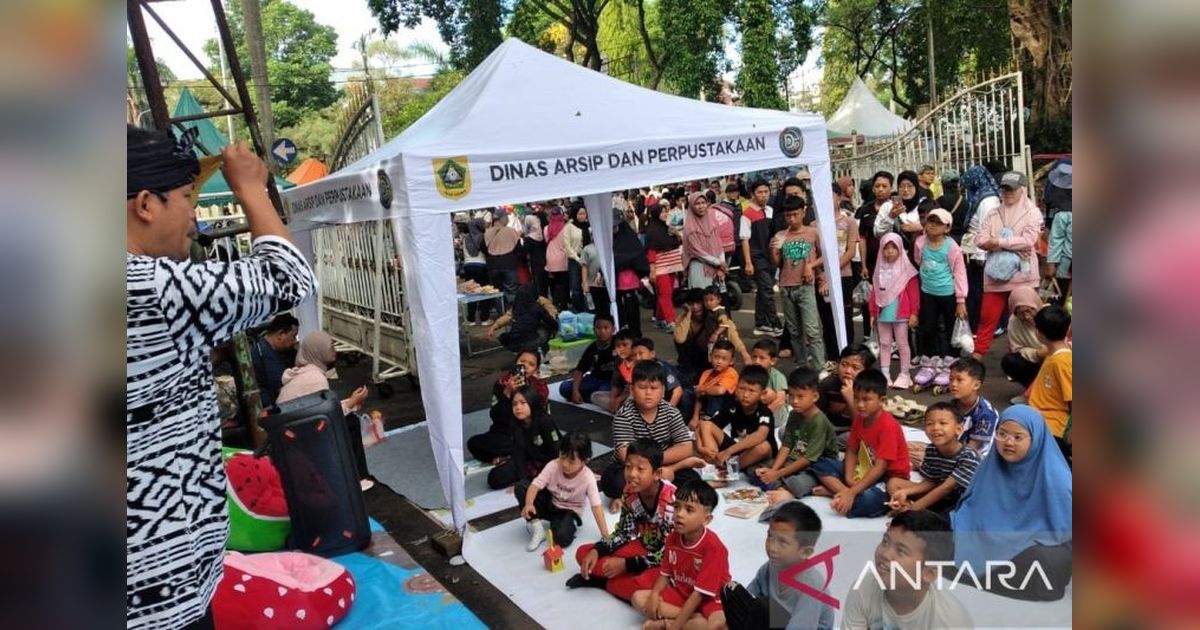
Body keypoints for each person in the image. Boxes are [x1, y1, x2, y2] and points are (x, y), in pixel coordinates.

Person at [127, 128, 316, 629]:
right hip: (157, 591)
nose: (193, 215)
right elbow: (290, 277)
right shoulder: (149, 290)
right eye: (187, 197)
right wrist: (250, 188)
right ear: (146, 203)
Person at [951, 405, 1073, 601]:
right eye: (1002, 434)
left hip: (1033, 541)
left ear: (1035, 440)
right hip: (989, 532)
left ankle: (977, 571)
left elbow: (1067, 530)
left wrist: (1023, 537)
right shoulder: (991, 466)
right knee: (937, 531)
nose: (1008, 442)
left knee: (1045, 561)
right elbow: (972, 508)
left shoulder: (1056, 477)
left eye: (1018, 437)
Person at [570, 439, 677, 600]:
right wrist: (598, 549)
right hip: (642, 547)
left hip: (665, 561)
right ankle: (622, 582)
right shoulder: (629, 492)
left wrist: (627, 565)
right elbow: (623, 533)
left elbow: (669, 553)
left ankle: (603, 583)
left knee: (648, 584)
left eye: (640, 469)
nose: (632, 474)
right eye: (628, 467)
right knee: (584, 553)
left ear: (657, 474)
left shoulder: (670, 503)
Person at [843, 511, 973, 628]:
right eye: (885, 541)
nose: (885, 554)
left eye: (901, 551)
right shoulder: (864, 587)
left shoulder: (951, 622)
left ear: (929, 573)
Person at [808, 369, 910, 518]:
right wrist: (850, 481)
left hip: (887, 477)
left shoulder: (888, 426)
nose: (860, 405)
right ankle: (843, 493)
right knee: (819, 462)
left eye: (866, 399)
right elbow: (851, 450)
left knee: (868, 501)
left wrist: (853, 490)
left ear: (882, 401)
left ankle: (839, 493)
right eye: (856, 399)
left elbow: (881, 468)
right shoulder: (860, 419)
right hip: (863, 469)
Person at [632, 480, 730, 630]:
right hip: (683, 594)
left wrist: (675, 627)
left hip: (711, 600)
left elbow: (700, 594)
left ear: (706, 519)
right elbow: (665, 573)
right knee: (638, 598)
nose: (679, 514)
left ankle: (668, 623)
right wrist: (655, 595)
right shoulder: (672, 537)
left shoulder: (714, 548)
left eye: (689, 510)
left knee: (713, 626)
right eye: (677, 507)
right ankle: (691, 618)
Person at [721, 501, 834, 630]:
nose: (772, 547)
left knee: (764, 606)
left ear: (805, 552)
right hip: (774, 621)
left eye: (782, 542)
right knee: (731, 589)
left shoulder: (812, 585)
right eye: (770, 537)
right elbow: (749, 599)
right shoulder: (770, 568)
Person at [603, 362, 703, 503]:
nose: (648, 393)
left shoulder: (671, 412)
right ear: (632, 390)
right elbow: (624, 455)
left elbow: (686, 448)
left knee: (692, 480)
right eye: (642, 387)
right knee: (613, 482)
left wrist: (658, 468)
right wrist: (657, 471)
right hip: (633, 467)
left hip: (662, 464)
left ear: (663, 391)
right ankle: (657, 484)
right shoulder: (624, 415)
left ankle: (642, 490)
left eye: (654, 388)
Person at [972, 171, 1043, 358]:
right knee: (987, 318)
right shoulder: (994, 212)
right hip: (994, 276)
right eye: (1004, 189)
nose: (1008, 192)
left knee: (1027, 319)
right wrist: (1012, 244)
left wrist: (998, 242)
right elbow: (980, 239)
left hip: (1023, 276)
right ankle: (976, 358)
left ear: (1022, 190)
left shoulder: (1033, 212)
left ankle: (1029, 354)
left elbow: (1028, 240)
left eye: (1012, 189)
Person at [757, 368, 839, 504]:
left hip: (817, 466)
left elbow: (808, 459)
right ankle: (781, 487)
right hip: (796, 456)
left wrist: (777, 474)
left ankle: (785, 487)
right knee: (756, 470)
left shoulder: (819, 421)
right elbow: (786, 445)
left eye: (801, 396)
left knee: (797, 482)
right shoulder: (794, 414)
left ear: (815, 397)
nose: (794, 401)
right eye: (791, 396)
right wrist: (774, 470)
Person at [519, 432, 608, 551]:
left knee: (562, 538)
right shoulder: (553, 465)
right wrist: (529, 504)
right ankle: (537, 527)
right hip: (551, 503)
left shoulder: (588, 477)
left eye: (571, 461)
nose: (565, 464)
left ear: (584, 461)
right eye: (562, 457)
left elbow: (596, 506)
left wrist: (605, 534)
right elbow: (535, 485)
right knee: (521, 487)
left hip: (568, 512)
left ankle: (565, 525)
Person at [887, 402, 981, 516]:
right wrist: (905, 492)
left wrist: (912, 510)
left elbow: (946, 488)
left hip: (959, 503)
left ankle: (910, 515)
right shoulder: (932, 449)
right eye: (930, 423)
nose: (936, 428)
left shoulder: (969, 456)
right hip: (938, 496)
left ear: (959, 429)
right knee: (894, 483)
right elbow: (929, 482)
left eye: (943, 423)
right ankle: (905, 509)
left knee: (949, 520)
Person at [771, 195, 827, 371]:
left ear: (803, 212)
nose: (792, 219)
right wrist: (774, 250)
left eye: (795, 214)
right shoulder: (781, 235)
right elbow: (777, 263)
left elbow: (825, 254)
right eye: (788, 215)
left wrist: (811, 266)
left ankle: (819, 368)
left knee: (812, 330)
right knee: (795, 332)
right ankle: (802, 365)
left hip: (805, 286)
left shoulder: (812, 233)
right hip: (786, 286)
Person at [467, 350, 549, 465]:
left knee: (539, 442)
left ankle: (512, 455)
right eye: (522, 361)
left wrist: (526, 394)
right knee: (474, 443)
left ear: (536, 369)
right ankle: (520, 454)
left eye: (531, 364)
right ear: (515, 363)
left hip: (529, 432)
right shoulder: (501, 383)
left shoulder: (539, 387)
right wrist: (507, 392)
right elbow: (495, 416)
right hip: (506, 432)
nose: (525, 366)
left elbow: (542, 416)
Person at [913, 208, 968, 365]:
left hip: (948, 293)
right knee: (928, 325)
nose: (933, 226)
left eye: (938, 223)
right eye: (931, 221)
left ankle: (952, 355)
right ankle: (931, 355)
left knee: (951, 326)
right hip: (927, 292)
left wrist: (961, 300)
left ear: (947, 228)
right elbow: (919, 261)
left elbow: (960, 273)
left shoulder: (952, 247)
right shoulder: (920, 242)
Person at [696, 365, 778, 470]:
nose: (745, 395)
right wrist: (700, 447)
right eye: (742, 388)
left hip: (751, 452)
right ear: (736, 387)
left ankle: (728, 469)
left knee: (763, 447)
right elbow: (704, 425)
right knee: (706, 424)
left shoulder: (764, 412)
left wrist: (728, 451)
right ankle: (715, 461)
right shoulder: (733, 405)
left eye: (751, 391)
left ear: (762, 394)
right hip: (736, 447)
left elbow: (760, 436)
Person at [868, 234, 920, 389]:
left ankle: (905, 374)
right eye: (886, 248)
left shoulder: (907, 270)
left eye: (893, 248)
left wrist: (914, 313)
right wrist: (872, 313)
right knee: (885, 344)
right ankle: (885, 373)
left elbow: (914, 293)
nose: (889, 252)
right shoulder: (879, 269)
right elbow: (874, 292)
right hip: (883, 312)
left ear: (900, 249)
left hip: (901, 312)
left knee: (903, 344)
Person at [277, 331, 368, 416]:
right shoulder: (315, 378)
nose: (334, 350)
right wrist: (351, 403)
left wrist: (351, 402)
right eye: (330, 347)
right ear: (318, 351)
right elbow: (326, 416)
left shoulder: (306, 372)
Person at [959, 165, 1003, 333]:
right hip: (979, 248)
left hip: (982, 252)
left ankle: (987, 325)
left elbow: (986, 229)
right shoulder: (982, 196)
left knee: (979, 290)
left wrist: (981, 256)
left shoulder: (986, 200)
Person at [739, 179, 784, 336]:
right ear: (753, 194)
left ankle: (760, 323)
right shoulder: (747, 214)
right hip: (757, 257)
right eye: (760, 192)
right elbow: (744, 240)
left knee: (763, 291)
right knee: (767, 290)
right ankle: (775, 324)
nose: (764, 195)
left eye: (766, 192)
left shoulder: (771, 211)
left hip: (771, 257)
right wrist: (748, 262)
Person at [855, 172, 896, 337]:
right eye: (877, 186)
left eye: (884, 186)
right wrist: (863, 265)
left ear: (891, 188)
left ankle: (892, 337)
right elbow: (862, 238)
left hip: (892, 263)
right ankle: (869, 335)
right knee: (870, 300)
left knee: (891, 298)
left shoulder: (895, 208)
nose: (880, 190)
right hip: (872, 263)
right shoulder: (865, 209)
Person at [1028, 305, 1073, 455]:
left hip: (1053, 425)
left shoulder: (1063, 362)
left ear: (1040, 334)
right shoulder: (1052, 356)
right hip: (1038, 417)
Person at [946, 357, 999, 458]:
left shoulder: (985, 413)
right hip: (957, 450)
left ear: (976, 385)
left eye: (959, 380)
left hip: (976, 459)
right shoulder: (953, 404)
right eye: (951, 379)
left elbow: (973, 448)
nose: (953, 384)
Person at [875, 170, 935, 259]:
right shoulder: (888, 206)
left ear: (916, 187)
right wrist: (890, 217)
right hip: (895, 259)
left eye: (910, 186)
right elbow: (878, 233)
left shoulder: (926, 205)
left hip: (921, 257)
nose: (906, 190)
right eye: (902, 186)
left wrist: (921, 226)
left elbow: (941, 227)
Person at [558, 313, 617, 404]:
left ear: (613, 329)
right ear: (594, 330)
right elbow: (580, 370)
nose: (602, 331)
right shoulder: (592, 348)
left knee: (603, 391)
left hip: (613, 382)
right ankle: (590, 398)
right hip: (595, 379)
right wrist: (575, 391)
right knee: (564, 387)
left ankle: (593, 397)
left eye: (606, 328)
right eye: (598, 328)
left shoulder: (619, 344)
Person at [817, 343, 876, 431]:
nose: (847, 371)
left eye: (855, 367)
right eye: (844, 365)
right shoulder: (827, 384)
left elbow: (863, 426)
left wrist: (850, 399)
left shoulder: (870, 389)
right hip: (832, 430)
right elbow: (818, 416)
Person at [486, 283, 558, 353]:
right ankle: (541, 354)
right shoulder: (536, 306)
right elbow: (551, 321)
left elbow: (507, 316)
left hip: (513, 343)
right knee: (544, 332)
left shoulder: (518, 305)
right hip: (531, 340)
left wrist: (494, 327)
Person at [646, 201, 684, 332]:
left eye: (666, 211)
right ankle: (670, 321)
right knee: (665, 294)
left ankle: (659, 318)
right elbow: (651, 251)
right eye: (662, 212)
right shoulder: (652, 231)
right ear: (656, 214)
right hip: (660, 267)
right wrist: (652, 270)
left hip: (672, 265)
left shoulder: (667, 228)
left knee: (667, 293)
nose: (665, 214)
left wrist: (677, 234)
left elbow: (678, 242)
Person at [613, 206, 651, 336]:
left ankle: (635, 334)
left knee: (631, 309)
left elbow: (637, 256)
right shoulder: (609, 240)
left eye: (615, 226)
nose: (614, 229)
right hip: (615, 281)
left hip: (629, 281)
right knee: (618, 309)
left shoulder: (629, 238)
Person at [250, 313, 299, 409]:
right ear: (281, 334)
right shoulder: (265, 355)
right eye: (293, 336)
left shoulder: (262, 345)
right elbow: (281, 387)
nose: (294, 341)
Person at [1000, 287, 1046, 389]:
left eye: (1029, 311)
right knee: (1010, 361)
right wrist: (1036, 354)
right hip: (1035, 361)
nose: (1026, 316)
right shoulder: (1014, 321)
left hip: (1058, 359)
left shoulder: (1049, 314)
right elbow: (1017, 348)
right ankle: (1032, 391)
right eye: (1021, 313)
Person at [682, 191, 728, 289]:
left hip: (717, 267)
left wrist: (721, 265)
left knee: (717, 299)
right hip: (699, 268)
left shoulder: (712, 222)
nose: (701, 206)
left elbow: (719, 245)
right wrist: (719, 263)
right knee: (702, 297)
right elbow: (697, 251)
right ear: (691, 206)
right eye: (697, 203)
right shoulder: (690, 227)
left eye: (703, 202)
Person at [673, 288, 718, 384]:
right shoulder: (684, 317)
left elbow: (731, 335)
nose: (695, 307)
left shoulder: (715, 316)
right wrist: (688, 314)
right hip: (691, 360)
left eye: (698, 303)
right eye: (691, 304)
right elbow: (679, 339)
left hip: (709, 357)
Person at [691, 340, 740, 428]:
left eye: (724, 359)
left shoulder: (731, 372)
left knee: (717, 393)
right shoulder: (706, 373)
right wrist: (695, 417)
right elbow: (699, 395)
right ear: (710, 357)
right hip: (705, 405)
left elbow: (720, 390)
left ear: (732, 361)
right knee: (688, 394)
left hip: (724, 409)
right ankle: (692, 419)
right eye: (716, 357)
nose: (719, 361)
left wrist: (702, 388)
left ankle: (708, 419)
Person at [632, 337, 689, 413]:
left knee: (686, 398)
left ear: (652, 354)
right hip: (662, 394)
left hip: (681, 390)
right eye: (634, 355)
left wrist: (669, 411)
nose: (638, 358)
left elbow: (678, 390)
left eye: (641, 353)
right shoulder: (637, 368)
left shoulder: (662, 367)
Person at [702, 286, 752, 364]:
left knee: (718, 358)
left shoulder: (720, 312)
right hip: (713, 341)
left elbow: (724, 324)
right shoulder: (710, 311)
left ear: (719, 300)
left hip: (720, 341)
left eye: (711, 300)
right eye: (706, 300)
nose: (708, 303)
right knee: (712, 358)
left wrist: (715, 334)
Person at [484, 207, 522, 306]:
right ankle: (512, 313)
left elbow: (484, 248)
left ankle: (501, 312)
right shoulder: (511, 231)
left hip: (493, 265)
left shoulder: (487, 232)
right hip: (509, 264)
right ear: (503, 218)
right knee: (511, 290)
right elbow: (519, 249)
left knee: (497, 291)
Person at [748, 339, 789, 428]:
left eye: (762, 358)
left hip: (774, 414)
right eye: (754, 357)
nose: (757, 361)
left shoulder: (777, 376)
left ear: (773, 361)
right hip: (756, 409)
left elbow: (780, 401)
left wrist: (764, 415)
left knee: (770, 394)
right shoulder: (748, 373)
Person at [461, 216, 494, 325]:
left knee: (471, 292)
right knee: (484, 291)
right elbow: (487, 251)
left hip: (468, 267)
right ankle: (484, 318)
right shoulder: (483, 237)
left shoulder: (465, 238)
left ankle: (471, 319)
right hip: (482, 266)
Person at [602, 329, 639, 413]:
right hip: (625, 392)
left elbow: (638, 389)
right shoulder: (618, 362)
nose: (621, 349)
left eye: (625, 345)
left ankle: (624, 409)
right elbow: (616, 384)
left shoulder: (639, 361)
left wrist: (619, 399)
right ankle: (621, 408)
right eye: (618, 346)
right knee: (595, 396)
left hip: (637, 393)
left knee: (632, 399)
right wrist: (612, 399)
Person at [1046, 195, 1073, 299]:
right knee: (1063, 300)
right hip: (1066, 266)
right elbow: (1056, 239)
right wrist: (1051, 263)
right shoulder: (1064, 212)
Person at [580, 227, 611, 317]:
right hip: (592, 285)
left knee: (606, 309)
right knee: (593, 310)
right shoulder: (587, 249)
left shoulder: (608, 247)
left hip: (606, 284)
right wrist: (585, 282)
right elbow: (584, 267)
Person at [545, 204, 571, 312]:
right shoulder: (566, 228)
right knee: (564, 284)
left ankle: (555, 304)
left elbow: (546, 241)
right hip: (562, 259)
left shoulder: (546, 228)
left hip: (550, 258)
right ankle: (563, 306)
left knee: (555, 284)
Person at [564, 203, 589, 312]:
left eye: (584, 214)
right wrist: (577, 258)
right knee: (576, 287)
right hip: (575, 260)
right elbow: (567, 245)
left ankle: (590, 309)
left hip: (589, 259)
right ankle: (579, 309)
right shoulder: (569, 227)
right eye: (580, 214)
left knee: (589, 285)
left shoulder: (589, 226)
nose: (582, 216)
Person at [524, 202, 550, 297]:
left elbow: (523, 253)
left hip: (536, 265)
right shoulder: (546, 232)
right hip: (549, 263)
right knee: (547, 287)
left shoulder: (529, 238)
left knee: (539, 289)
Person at [936, 169, 966, 242]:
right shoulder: (964, 201)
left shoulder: (940, 201)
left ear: (943, 184)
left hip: (945, 239)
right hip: (961, 239)